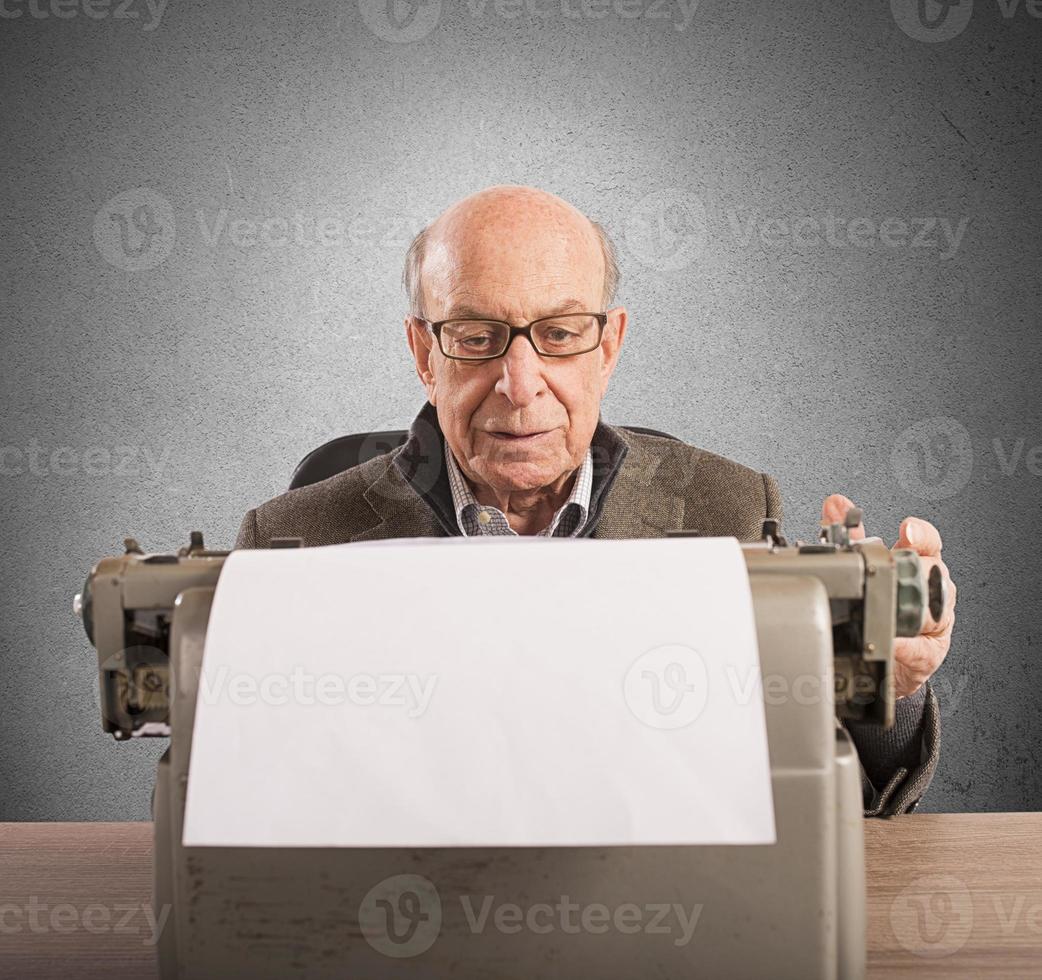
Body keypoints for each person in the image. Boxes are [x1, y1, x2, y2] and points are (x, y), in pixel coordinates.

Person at [235, 185, 956, 816]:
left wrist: (883, 687)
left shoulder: (730, 512)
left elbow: (852, 803)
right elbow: (227, 808)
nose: (520, 383)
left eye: (558, 334)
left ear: (607, 346)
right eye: (477, 336)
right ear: (425, 354)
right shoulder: (288, 539)